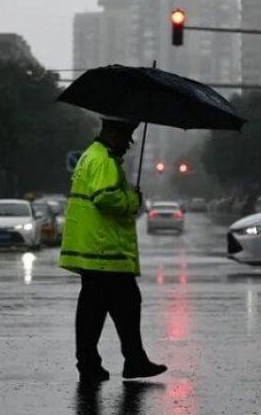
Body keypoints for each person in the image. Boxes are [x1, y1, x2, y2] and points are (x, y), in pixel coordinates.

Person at [59, 116, 167, 383]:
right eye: (127, 137)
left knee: (94, 308)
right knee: (126, 303)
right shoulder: (104, 159)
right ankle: (131, 361)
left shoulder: (89, 155)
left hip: (92, 248)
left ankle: (95, 363)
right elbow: (105, 197)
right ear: (114, 134)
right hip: (104, 249)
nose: (129, 144)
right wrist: (131, 200)